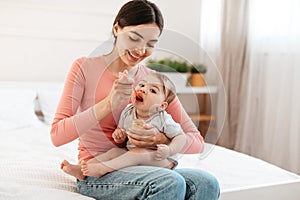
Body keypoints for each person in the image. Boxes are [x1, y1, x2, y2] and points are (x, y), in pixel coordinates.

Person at [51, 0, 220, 199]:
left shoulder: (154, 83)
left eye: (150, 44)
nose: (141, 50)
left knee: (206, 183)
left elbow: (197, 141)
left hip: (143, 167)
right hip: (97, 171)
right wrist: (108, 104)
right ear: (116, 29)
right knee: (170, 182)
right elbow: (57, 135)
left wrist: (161, 139)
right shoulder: (84, 68)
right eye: (134, 38)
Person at [62, 71, 186, 179]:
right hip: (133, 153)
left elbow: (181, 137)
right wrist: (119, 134)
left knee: (136, 154)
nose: (142, 89)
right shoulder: (128, 111)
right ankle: (81, 170)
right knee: (114, 152)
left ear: (162, 106)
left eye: (152, 90)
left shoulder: (163, 118)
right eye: (142, 85)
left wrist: (169, 150)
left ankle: (102, 169)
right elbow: (121, 129)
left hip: (161, 160)